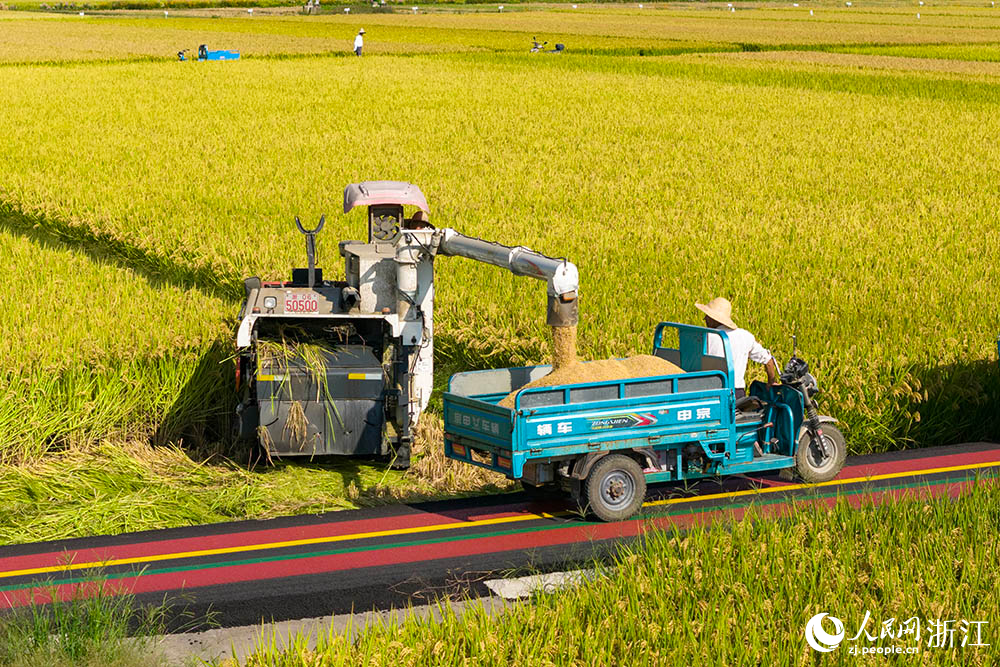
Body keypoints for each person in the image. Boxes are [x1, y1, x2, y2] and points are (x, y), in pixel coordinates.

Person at [695, 297, 778, 400]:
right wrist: (771, 382)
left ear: (712, 318)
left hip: (711, 392)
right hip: (737, 393)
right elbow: (768, 360)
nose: (705, 319)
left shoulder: (705, 337)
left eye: (707, 316)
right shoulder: (745, 336)